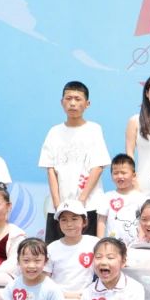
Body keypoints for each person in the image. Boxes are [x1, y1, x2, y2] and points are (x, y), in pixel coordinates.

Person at [38, 80, 110, 241]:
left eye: (78, 99)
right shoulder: (54, 132)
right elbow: (50, 169)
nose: (72, 103)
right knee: (54, 250)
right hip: (59, 209)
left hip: (88, 205)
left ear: (87, 104)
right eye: (68, 98)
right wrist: (57, 203)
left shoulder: (94, 129)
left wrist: (81, 200)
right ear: (61, 102)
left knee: (87, 250)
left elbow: (98, 167)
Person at [44, 200, 100, 300]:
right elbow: (44, 281)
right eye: (64, 220)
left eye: (74, 219)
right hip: (59, 298)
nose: (69, 224)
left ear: (84, 221)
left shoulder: (94, 243)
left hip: (87, 297)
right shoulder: (52, 248)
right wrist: (68, 295)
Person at [96, 154, 147, 244]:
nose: (119, 176)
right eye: (115, 173)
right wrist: (99, 242)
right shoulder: (107, 197)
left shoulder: (141, 197)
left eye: (123, 173)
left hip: (136, 245)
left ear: (133, 175)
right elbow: (101, 221)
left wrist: (141, 241)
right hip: (113, 245)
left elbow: (145, 220)